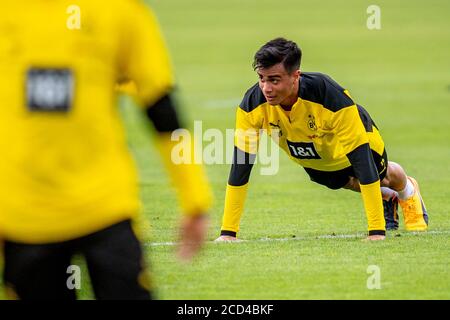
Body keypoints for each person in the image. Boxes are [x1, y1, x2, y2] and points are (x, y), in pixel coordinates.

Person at [0, 0, 212, 299]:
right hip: (22, 217)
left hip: (106, 207)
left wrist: (195, 199)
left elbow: (161, 109)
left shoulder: (121, 11)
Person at [215, 38, 428, 242]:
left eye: (274, 80)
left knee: (383, 177)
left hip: (359, 143)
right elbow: (240, 168)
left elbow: (363, 162)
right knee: (350, 183)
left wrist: (376, 231)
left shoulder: (329, 97)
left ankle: (408, 191)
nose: (266, 88)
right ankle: (387, 197)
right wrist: (228, 233)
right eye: (261, 78)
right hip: (314, 156)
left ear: (295, 76)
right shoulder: (251, 105)